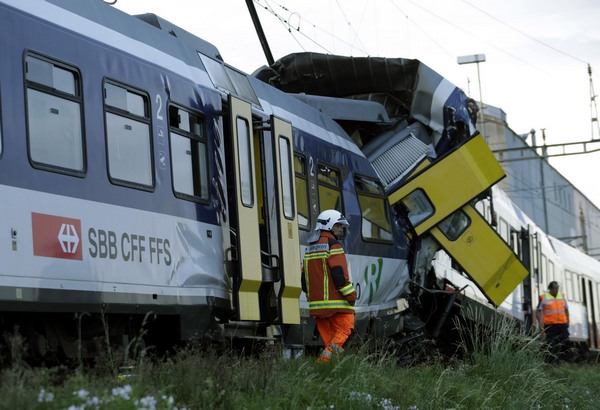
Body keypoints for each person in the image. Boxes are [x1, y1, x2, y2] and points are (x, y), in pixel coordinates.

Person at [301, 209, 357, 363]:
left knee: (330, 340)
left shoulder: (310, 248)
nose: (340, 229)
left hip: (317, 307)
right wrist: (351, 296)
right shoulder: (334, 245)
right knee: (346, 330)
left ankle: (329, 367)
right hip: (337, 305)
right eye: (338, 225)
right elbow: (339, 275)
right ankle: (323, 363)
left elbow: (304, 280)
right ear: (329, 225)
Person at [537, 281, 570, 363]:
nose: (556, 290)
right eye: (555, 288)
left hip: (562, 324)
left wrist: (568, 321)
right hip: (550, 325)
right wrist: (540, 323)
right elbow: (538, 311)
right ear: (550, 289)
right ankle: (552, 361)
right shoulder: (544, 297)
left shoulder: (561, 296)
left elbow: (566, 309)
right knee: (551, 343)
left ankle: (563, 359)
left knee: (565, 341)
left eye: (557, 288)